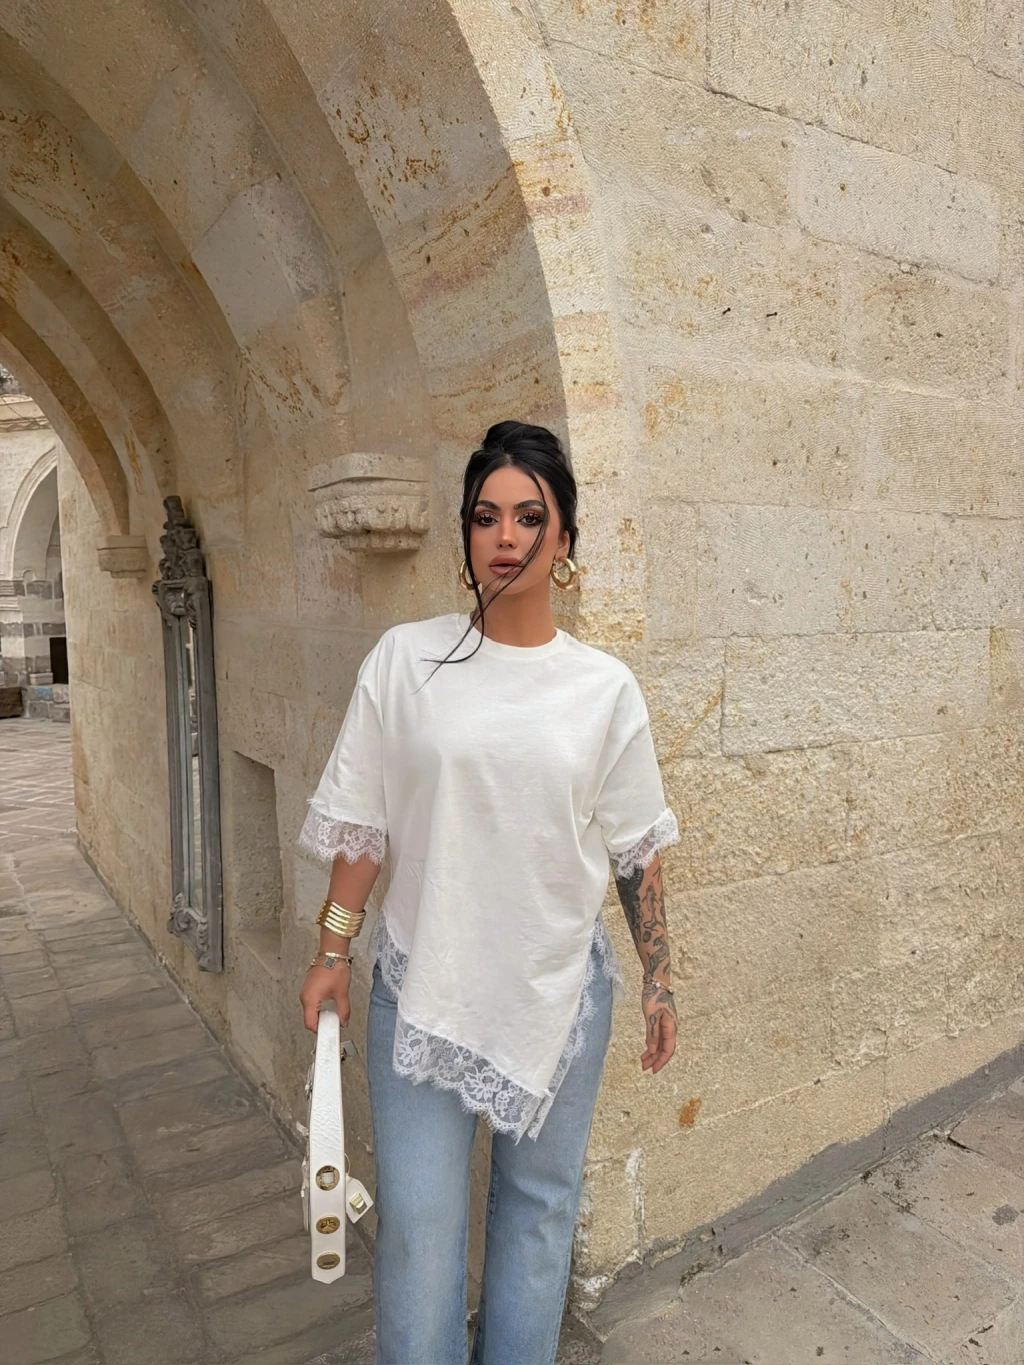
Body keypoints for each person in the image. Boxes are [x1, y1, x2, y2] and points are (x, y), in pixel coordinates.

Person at [297, 421, 679, 1365]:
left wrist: (659, 980)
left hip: (559, 994)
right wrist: (333, 951)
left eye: (528, 516)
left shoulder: (604, 689)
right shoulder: (405, 660)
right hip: (421, 984)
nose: (506, 536)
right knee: (421, 1229)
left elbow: (636, 850)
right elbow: (363, 823)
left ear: (565, 538)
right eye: (485, 516)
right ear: (466, 536)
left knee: (540, 1215)